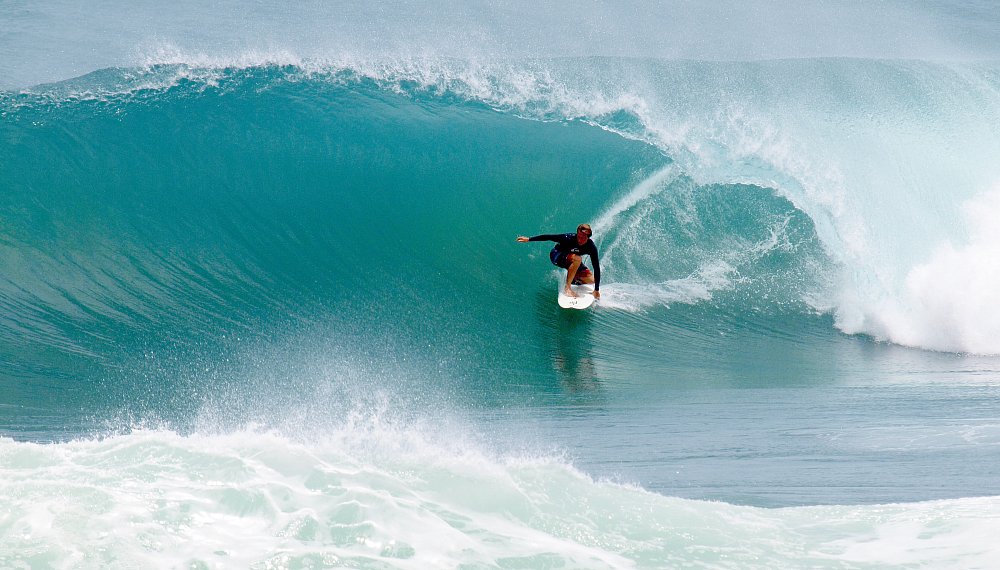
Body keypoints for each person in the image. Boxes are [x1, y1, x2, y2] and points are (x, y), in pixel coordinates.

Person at [517, 224, 601, 299]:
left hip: (572, 259)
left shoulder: (591, 247)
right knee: (578, 259)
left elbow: (596, 267)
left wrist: (596, 290)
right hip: (557, 256)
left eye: (583, 238)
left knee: (592, 280)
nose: (579, 240)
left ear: (588, 237)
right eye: (578, 236)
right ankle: (567, 288)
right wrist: (529, 239)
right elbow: (549, 237)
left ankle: (574, 280)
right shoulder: (568, 238)